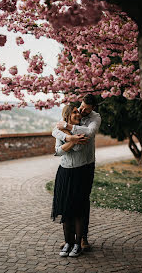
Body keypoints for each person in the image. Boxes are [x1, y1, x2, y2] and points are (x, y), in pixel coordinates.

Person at [52, 94, 101, 251]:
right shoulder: (74, 113)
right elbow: (55, 133)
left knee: (81, 204)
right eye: (81, 107)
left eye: (86, 109)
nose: (82, 111)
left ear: (93, 108)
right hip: (66, 168)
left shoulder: (95, 118)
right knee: (67, 204)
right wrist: (68, 137)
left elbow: (89, 133)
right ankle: (70, 240)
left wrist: (69, 130)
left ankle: (82, 239)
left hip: (85, 166)